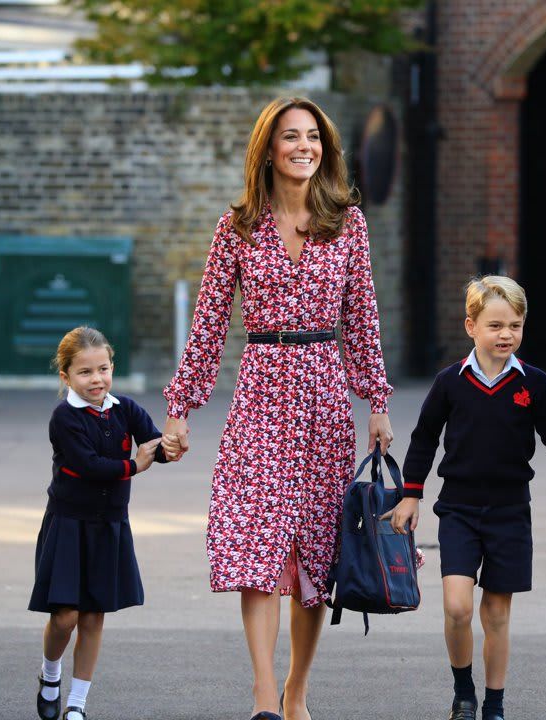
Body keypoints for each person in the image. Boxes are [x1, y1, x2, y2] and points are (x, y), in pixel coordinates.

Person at [159, 96, 394, 720]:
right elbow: (208, 325)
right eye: (290, 137)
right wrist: (182, 404)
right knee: (256, 548)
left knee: (315, 555)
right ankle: (265, 695)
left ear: (325, 147)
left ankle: (297, 690)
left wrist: (376, 399)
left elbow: (362, 320)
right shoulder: (235, 227)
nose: (303, 147)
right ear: (268, 148)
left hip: (323, 396)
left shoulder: (348, 223)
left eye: (312, 137)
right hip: (261, 392)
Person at [387, 275, 546, 720]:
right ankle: (464, 691)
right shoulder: (450, 382)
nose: (506, 335)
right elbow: (424, 439)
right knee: (458, 606)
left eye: (515, 326)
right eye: (496, 325)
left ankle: (494, 706)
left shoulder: (533, 383)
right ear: (471, 326)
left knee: (497, 614)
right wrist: (411, 495)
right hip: (459, 510)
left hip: (511, 512)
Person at [30, 326, 169, 720]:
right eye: (86, 372)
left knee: (93, 616)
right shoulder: (64, 418)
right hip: (69, 523)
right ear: (66, 377)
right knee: (65, 616)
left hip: (109, 524)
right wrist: (135, 465)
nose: (97, 380)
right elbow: (90, 466)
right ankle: (50, 672)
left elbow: (153, 441)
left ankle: (77, 705)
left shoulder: (124, 408)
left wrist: (170, 447)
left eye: (103, 369)